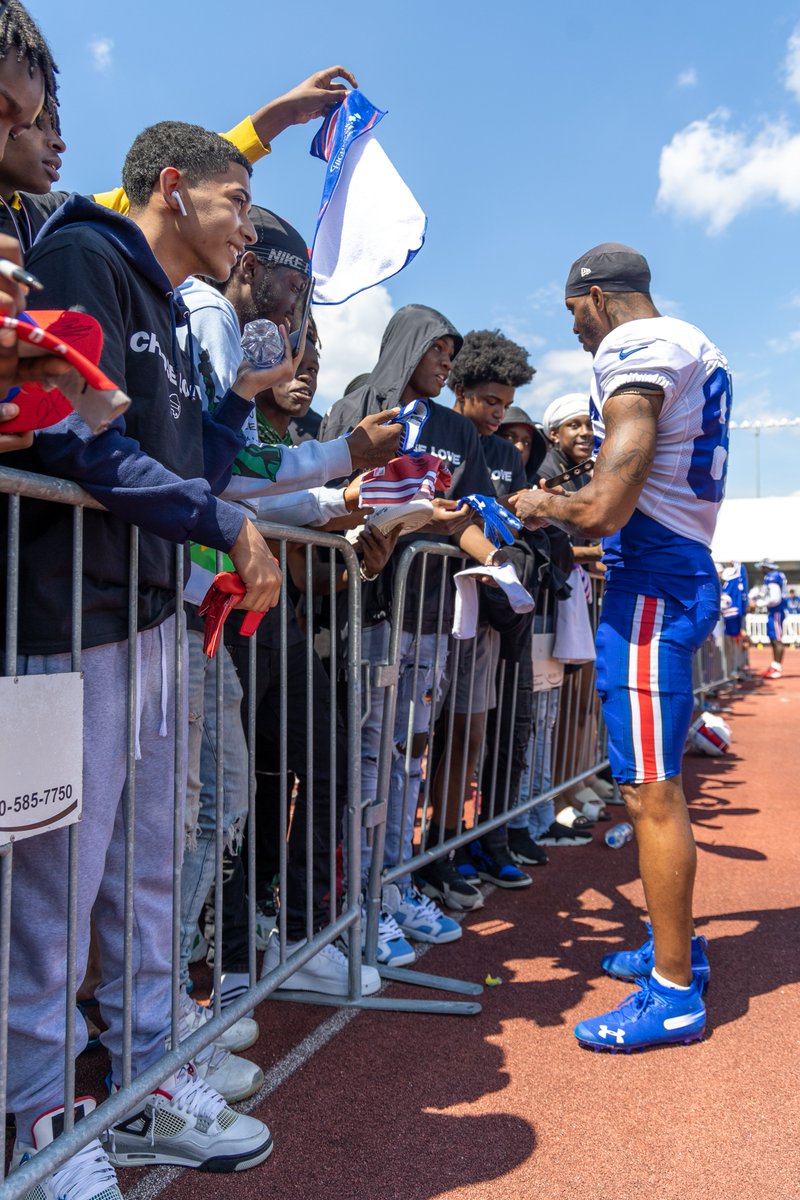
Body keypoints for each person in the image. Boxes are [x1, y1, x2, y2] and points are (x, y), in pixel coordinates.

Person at [2, 121, 283, 1190]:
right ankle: (37, 1123)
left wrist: (234, 409)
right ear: (172, 187)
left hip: (148, 621)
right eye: (235, 203)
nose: (247, 231)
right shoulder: (82, 255)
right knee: (51, 903)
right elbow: (73, 431)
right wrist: (215, 513)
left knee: (146, 882)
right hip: (62, 627)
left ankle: (146, 1082)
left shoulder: (166, 305)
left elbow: (177, 455)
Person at [514, 242, 728, 1051]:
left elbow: (603, 506)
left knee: (648, 790)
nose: (575, 333)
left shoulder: (634, 349)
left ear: (596, 297)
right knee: (652, 783)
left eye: (573, 314)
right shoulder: (692, 344)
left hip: (653, 586)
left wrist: (545, 501)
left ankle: (674, 992)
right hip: (674, 567)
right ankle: (678, 950)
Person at [321, 305, 502, 959]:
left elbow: (475, 507)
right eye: (437, 349)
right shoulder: (355, 409)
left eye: (452, 353)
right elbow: (329, 499)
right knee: (367, 757)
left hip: (429, 615)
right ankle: (357, 899)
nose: (446, 362)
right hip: (367, 614)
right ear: (407, 345)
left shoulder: (456, 427)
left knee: (409, 758)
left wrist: (475, 539)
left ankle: (392, 887)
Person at [421, 329, 535, 903]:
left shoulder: (505, 453)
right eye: (490, 400)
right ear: (460, 388)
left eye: (507, 404)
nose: (498, 413)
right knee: (421, 738)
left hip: (485, 617)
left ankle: (449, 844)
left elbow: (504, 526)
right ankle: (413, 855)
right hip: (429, 610)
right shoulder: (442, 431)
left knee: (470, 731)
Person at [756, 559, 787, 679]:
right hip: (774, 611)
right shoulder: (774, 576)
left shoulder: (773, 577)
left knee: (777, 640)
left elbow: (775, 598)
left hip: (776, 611)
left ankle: (777, 668)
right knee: (773, 638)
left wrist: (760, 603)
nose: (761, 570)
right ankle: (774, 666)